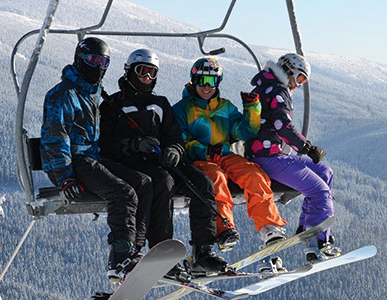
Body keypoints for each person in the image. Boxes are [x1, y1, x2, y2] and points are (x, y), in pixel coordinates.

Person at [99, 49, 228, 274]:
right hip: (133, 165)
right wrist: (134, 145)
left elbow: (174, 136)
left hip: (163, 162)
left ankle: (202, 251)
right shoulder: (113, 105)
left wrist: (174, 151)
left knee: (203, 182)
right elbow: (105, 144)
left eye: (152, 73)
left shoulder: (160, 103)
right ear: (129, 72)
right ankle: (158, 251)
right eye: (142, 71)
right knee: (162, 182)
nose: (147, 78)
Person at [40, 37, 153, 281]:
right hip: (72, 162)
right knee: (123, 193)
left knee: (143, 183)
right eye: (94, 60)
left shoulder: (92, 94)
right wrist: (64, 178)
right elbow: (55, 139)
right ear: (80, 60)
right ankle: (121, 256)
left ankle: (135, 250)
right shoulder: (63, 95)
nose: (99, 67)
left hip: (91, 158)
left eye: (105, 62)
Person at [172, 57, 287, 251]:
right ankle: (224, 229)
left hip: (225, 155)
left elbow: (244, 132)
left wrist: (252, 108)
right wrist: (203, 150)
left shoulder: (225, 107)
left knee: (253, 174)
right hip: (199, 160)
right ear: (194, 81)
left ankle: (269, 226)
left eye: (212, 81)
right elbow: (180, 140)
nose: (207, 87)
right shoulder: (183, 109)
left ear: (218, 82)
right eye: (202, 81)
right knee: (215, 179)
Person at [244, 53, 341, 262]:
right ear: (288, 71)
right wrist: (306, 147)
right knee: (319, 191)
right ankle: (317, 242)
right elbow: (283, 126)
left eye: (303, 82)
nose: (298, 85)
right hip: (268, 157)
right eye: (299, 79)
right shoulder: (278, 90)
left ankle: (306, 229)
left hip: (269, 154)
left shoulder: (265, 86)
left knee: (325, 172)